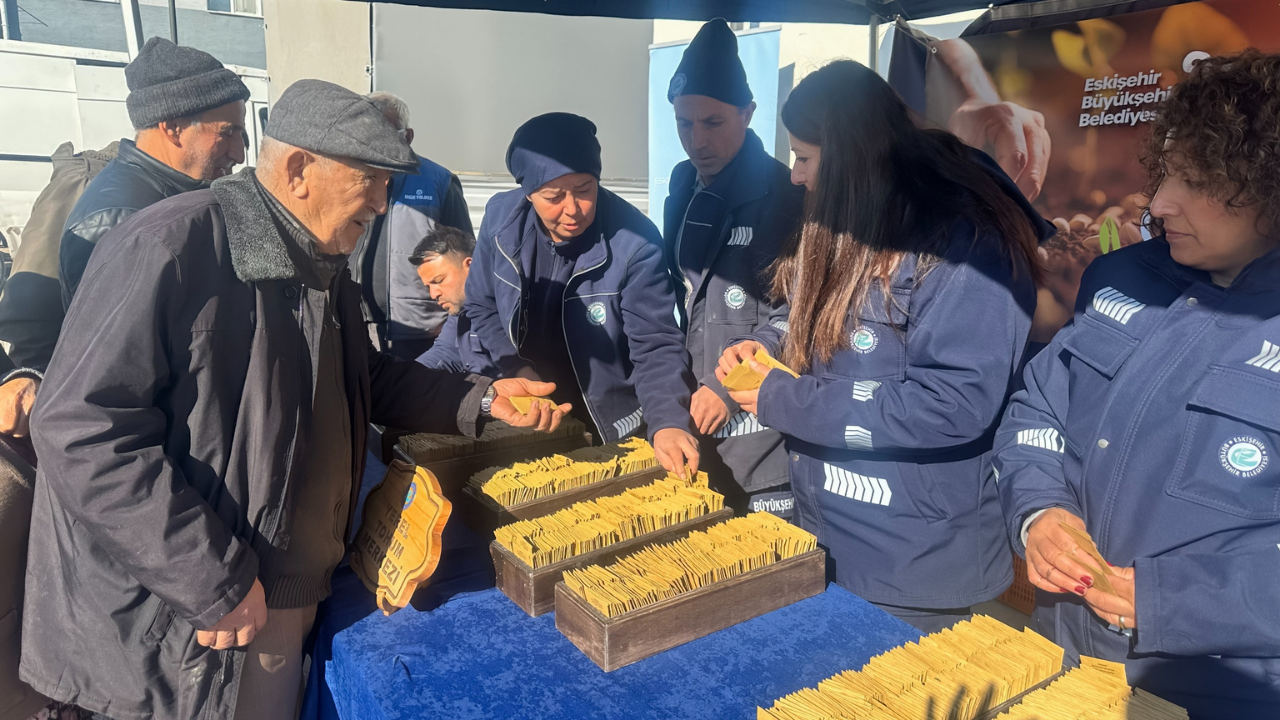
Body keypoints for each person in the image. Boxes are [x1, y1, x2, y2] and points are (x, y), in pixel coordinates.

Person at [19, 79, 568, 720]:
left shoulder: (318, 262)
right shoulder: (170, 245)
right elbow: (80, 427)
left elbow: (367, 377)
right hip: (191, 618)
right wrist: (209, 577)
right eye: (372, 177)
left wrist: (482, 401)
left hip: (277, 590)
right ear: (300, 169)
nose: (385, 203)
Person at [716, 60, 1051, 632]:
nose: (795, 175)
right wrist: (764, 347)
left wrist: (785, 400)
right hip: (822, 530)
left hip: (912, 561)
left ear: (851, 157)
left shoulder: (966, 244)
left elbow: (953, 402)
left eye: (805, 157)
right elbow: (803, 310)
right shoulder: (845, 220)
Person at [994, 50, 1280, 718]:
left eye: (1197, 181)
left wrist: (1169, 602)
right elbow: (1036, 411)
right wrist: (1040, 512)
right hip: (1064, 659)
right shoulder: (1120, 279)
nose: (1159, 203)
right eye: (1165, 174)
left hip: (1218, 693)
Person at [465, 112, 700, 476]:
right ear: (528, 194)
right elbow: (482, 305)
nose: (572, 209)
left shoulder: (636, 242)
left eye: (585, 190)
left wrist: (668, 420)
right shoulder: (500, 221)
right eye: (553, 196)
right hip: (528, 408)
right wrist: (515, 366)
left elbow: (655, 344)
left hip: (609, 420)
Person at [663, 19, 804, 516]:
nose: (696, 140)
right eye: (684, 123)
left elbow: (801, 312)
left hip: (766, 444)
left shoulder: (788, 195)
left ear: (748, 113)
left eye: (713, 123)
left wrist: (729, 384)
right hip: (695, 427)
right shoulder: (681, 187)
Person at [0, 141, 117, 439]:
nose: (235, 151)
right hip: (69, 410)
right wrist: (31, 378)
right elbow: (29, 310)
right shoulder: (87, 182)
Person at [354, 91, 475, 360]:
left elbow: (465, 253)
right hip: (359, 326)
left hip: (424, 333)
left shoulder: (439, 181)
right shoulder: (351, 176)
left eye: (384, 132)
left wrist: (453, 322)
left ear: (407, 137)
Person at [413, 225, 482, 373]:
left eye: (438, 281)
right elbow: (446, 352)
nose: (433, 294)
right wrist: (409, 376)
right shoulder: (459, 311)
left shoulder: (508, 306)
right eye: (428, 286)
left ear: (470, 265)